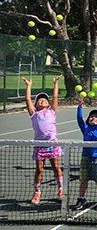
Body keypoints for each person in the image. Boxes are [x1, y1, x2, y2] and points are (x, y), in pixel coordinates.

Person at [23, 76, 63, 205]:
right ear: (36, 104)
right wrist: (28, 86)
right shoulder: (34, 114)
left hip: (52, 144)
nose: (43, 101)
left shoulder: (52, 111)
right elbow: (27, 99)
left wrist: (56, 83)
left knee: (56, 167)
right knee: (39, 170)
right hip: (40, 146)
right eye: (40, 100)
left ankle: (61, 189)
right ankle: (37, 192)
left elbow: (55, 98)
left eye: (45, 99)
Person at [74, 97, 97, 211]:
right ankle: (81, 198)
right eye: (91, 116)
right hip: (85, 157)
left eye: (95, 116)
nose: (93, 117)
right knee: (83, 180)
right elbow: (79, 119)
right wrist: (80, 107)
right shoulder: (85, 128)